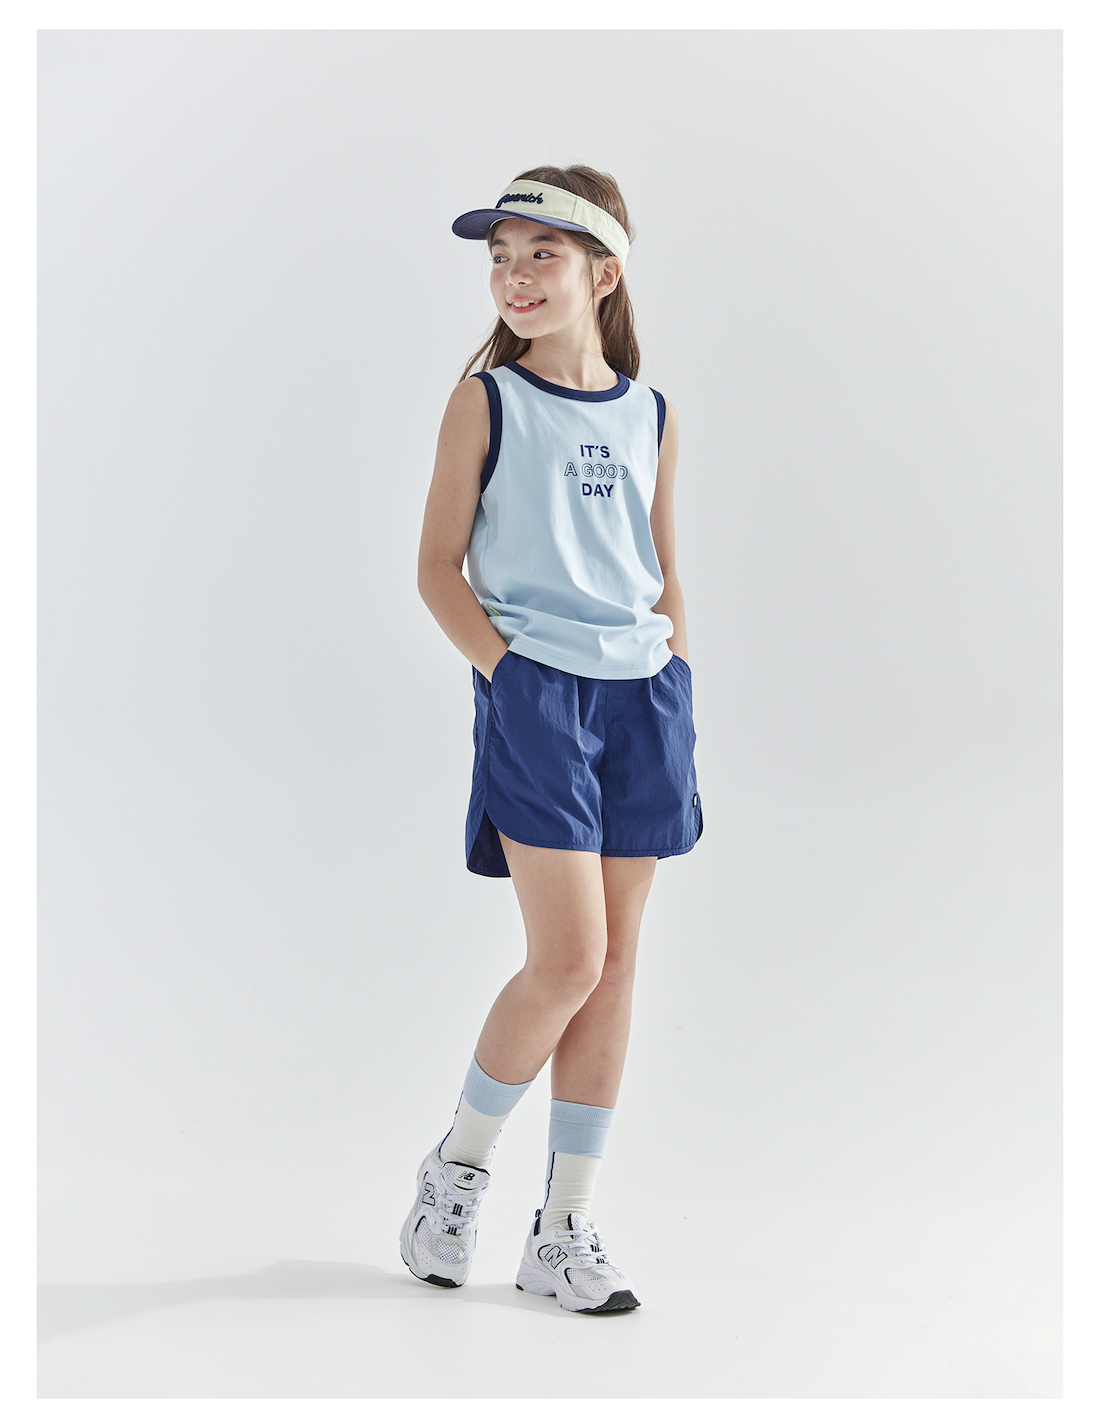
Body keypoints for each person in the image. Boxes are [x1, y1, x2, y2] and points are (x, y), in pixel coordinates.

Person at [401, 165, 702, 1314]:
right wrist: (509, 675)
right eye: (500, 256)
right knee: (566, 959)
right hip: (537, 696)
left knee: (614, 965)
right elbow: (437, 568)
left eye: (541, 254)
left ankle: (563, 1227)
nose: (513, 276)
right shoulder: (485, 401)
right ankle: (456, 1171)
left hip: (644, 701)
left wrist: (676, 677)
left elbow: (662, 568)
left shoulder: (650, 412)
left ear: (602, 273)